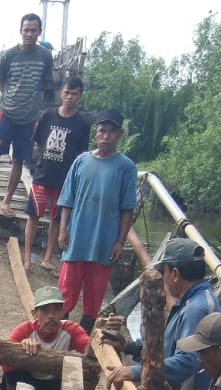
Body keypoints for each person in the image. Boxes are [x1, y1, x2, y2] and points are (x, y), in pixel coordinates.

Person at [106, 237, 221, 390]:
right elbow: (170, 344)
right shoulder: (191, 302)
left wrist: (136, 372)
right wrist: (130, 347)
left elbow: (187, 361)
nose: (164, 279)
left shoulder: (196, 309)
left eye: (164, 272)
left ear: (174, 274)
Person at [55, 107, 137, 334]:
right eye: (102, 130)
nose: (106, 135)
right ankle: (58, 335)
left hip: (104, 243)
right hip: (77, 237)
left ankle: (81, 341)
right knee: (66, 291)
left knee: (94, 296)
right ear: (95, 133)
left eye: (111, 131)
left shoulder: (126, 167)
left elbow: (127, 208)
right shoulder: (81, 161)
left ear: (120, 135)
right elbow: (67, 200)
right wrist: (63, 231)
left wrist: (120, 241)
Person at [0, 14, 53, 216]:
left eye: (33, 30)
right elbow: (2, 82)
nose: (29, 34)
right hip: (6, 113)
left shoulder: (45, 56)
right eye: (26, 30)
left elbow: (45, 83)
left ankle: (6, 201)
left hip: (29, 118)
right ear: (20, 30)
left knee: (18, 160)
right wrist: (11, 98)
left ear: (39, 32)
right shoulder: (9, 55)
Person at [22, 76, 90, 269]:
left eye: (74, 94)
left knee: (57, 219)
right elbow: (37, 143)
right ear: (61, 93)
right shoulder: (47, 115)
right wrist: (36, 162)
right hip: (42, 175)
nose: (69, 97)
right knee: (33, 216)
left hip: (64, 181)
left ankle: (47, 258)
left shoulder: (83, 124)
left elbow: (82, 155)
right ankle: (27, 257)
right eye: (67, 93)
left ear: (80, 96)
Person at [0, 284, 89, 390]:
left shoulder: (72, 330)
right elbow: (6, 365)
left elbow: (90, 350)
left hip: (54, 383)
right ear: (35, 313)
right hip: (28, 380)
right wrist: (21, 351)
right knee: (12, 373)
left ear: (63, 312)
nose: (51, 316)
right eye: (45, 310)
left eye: (56, 310)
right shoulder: (23, 331)